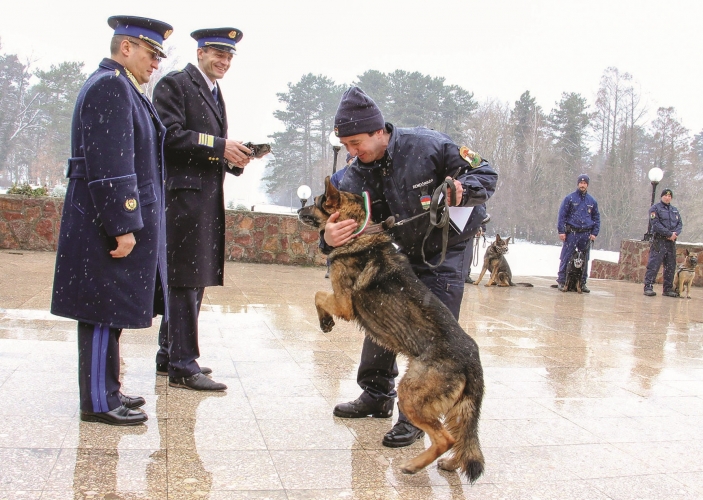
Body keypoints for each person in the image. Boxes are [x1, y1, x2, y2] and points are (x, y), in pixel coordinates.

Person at [323, 87, 497, 447]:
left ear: (378, 130)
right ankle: (375, 395)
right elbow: (326, 212)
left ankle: (414, 416)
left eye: (356, 143)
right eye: (346, 145)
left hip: (447, 248)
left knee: (432, 333)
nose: (352, 153)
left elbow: (486, 173)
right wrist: (328, 236)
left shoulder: (430, 145)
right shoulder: (354, 174)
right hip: (399, 253)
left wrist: (463, 189)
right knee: (380, 318)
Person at [51, 16, 173, 425]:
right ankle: (99, 402)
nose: (156, 62)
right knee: (102, 314)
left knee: (110, 312)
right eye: (151, 53)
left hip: (103, 220)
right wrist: (122, 224)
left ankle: (109, 389)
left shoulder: (123, 87)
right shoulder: (111, 86)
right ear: (126, 48)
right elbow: (111, 165)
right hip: (104, 225)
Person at [152, 27, 252, 391]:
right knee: (184, 281)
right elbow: (170, 136)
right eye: (217, 54)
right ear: (199, 53)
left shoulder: (213, 91)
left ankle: (168, 355)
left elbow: (209, 149)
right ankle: (182, 364)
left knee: (193, 281)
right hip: (181, 201)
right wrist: (220, 145)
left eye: (228, 57)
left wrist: (235, 158)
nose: (223, 62)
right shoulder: (175, 84)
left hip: (203, 201)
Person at [556, 174, 600, 293]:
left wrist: (594, 232)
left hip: (585, 234)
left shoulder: (592, 201)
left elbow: (596, 218)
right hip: (572, 233)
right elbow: (562, 216)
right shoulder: (570, 198)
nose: (582, 185)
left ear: (587, 185)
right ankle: (562, 280)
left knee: (584, 259)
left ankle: (582, 283)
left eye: (585, 183)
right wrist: (561, 231)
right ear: (577, 184)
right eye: (581, 183)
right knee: (566, 256)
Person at [644, 188, 683, 297]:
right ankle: (648, 286)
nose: (667, 197)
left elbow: (679, 224)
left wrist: (675, 234)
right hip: (659, 241)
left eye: (670, 196)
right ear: (662, 196)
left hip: (671, 243)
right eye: (665, 195)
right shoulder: (655, 208)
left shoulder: (674, 210)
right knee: (654, 264)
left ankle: (667, 288)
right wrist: (668, 234)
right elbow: (655, 224)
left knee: (670, 266)